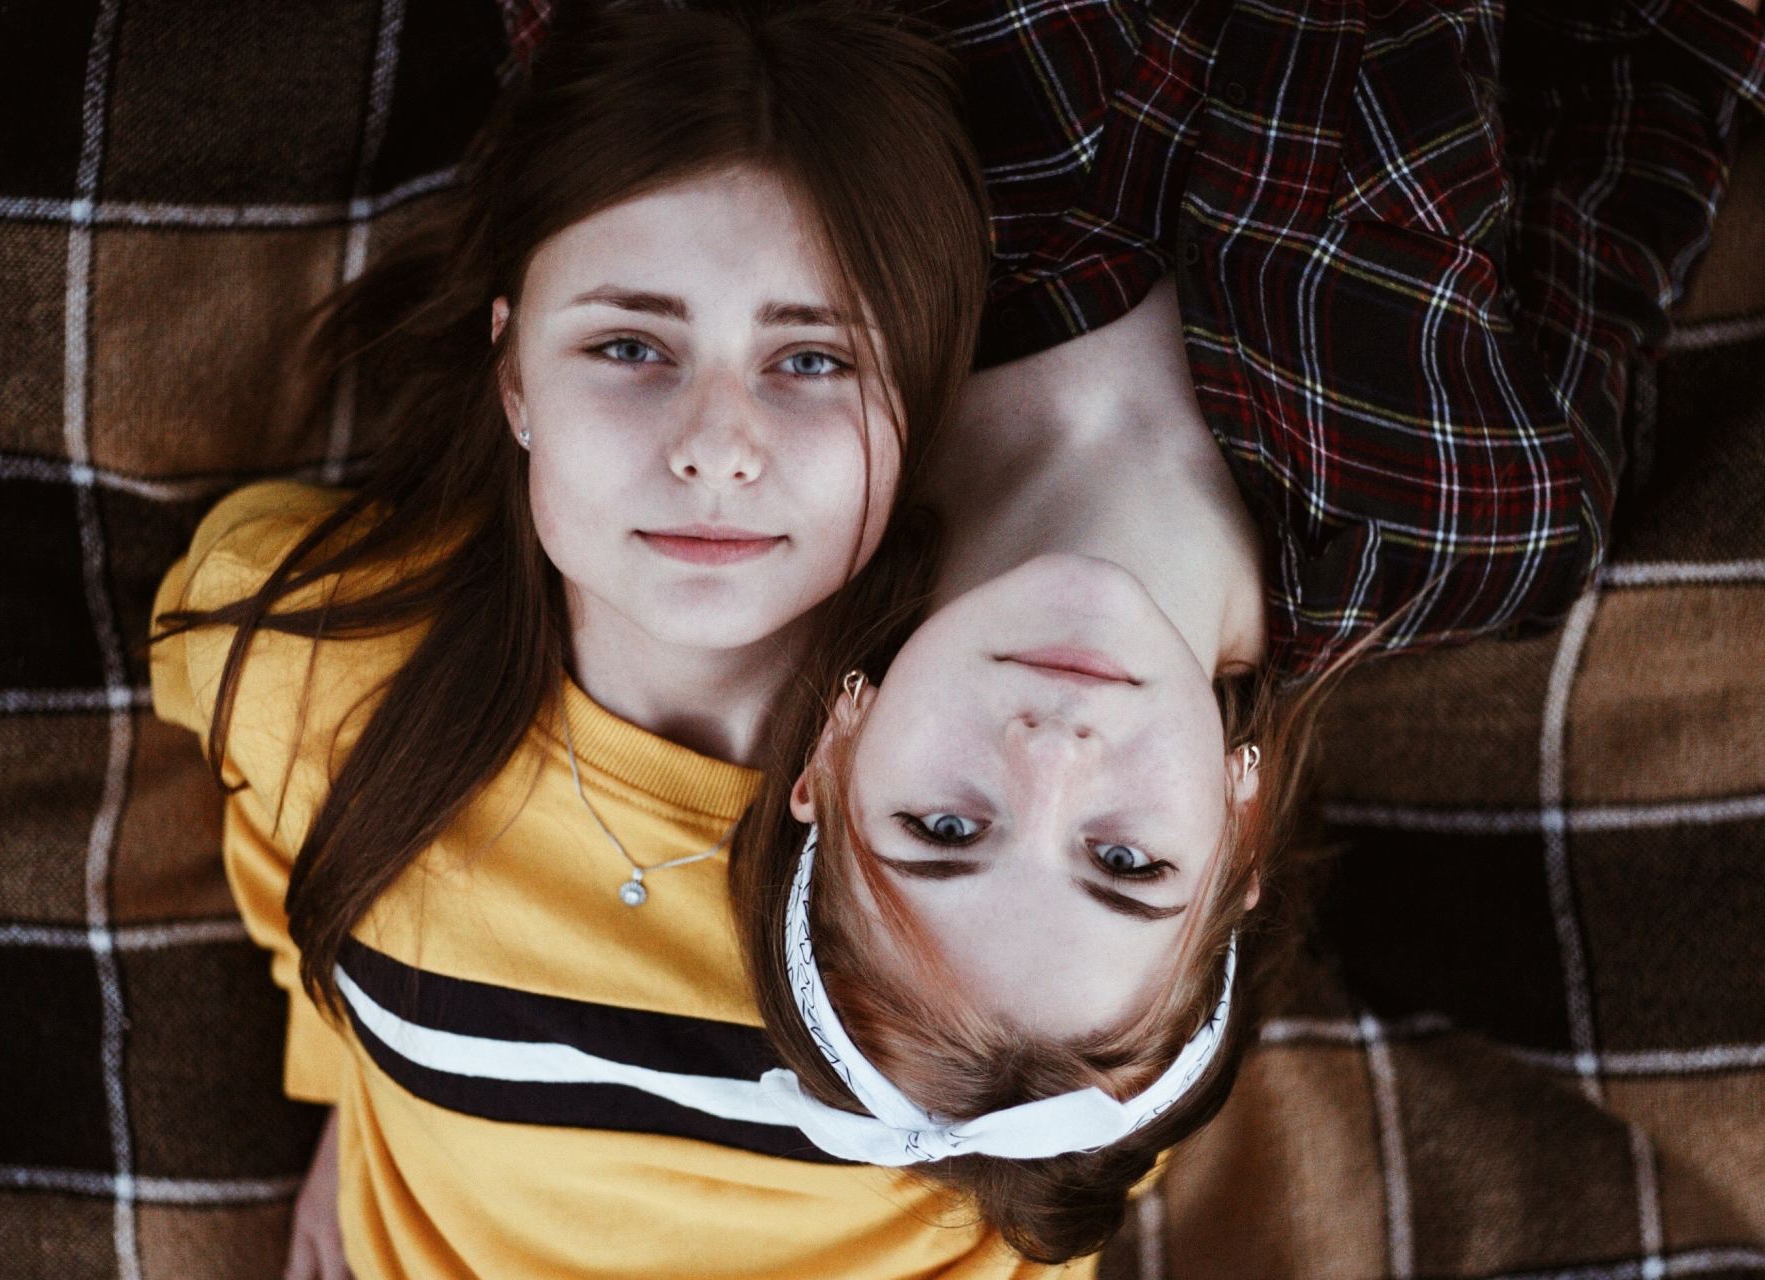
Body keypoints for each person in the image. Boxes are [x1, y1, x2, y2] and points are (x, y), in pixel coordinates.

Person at [719, 0, 1765, 1263]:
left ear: (836, 747)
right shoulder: (1480, 531)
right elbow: (1641, 97)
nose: (1054, 754)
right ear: (1242, 824)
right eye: (1125, 861)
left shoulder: (800, 326)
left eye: (947, 829)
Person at [146, 3, 1041, 1276]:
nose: (716, 446)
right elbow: (298, 911)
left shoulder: (1036, 769)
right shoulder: (310, 658)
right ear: (514, 374)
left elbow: (1103, 1140)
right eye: (630, 345)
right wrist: (362, 1104)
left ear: (920, 395)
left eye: (810, 359)